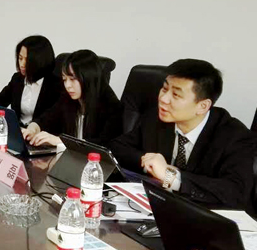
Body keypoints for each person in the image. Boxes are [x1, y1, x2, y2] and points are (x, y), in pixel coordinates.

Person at [110, 58, 255, 209]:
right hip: (158, 207)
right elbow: (117, 147)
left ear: (203, 106)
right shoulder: (157, 117)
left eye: (176, 95)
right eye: (164, 89)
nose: (163, 99)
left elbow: (236, 192)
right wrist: (150, 164)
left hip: (204, 214)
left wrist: (171, 176)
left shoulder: (235, 137)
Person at [22, 49, 122, 146]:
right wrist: (33, 128)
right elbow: (47, 119)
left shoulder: (112, 106)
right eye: (64, 79)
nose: (68, 85)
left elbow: (104, 144)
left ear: (88, 77)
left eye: (73, 79)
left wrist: (61, 141)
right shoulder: (67, 98)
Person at [0, 35, 62, 126]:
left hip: (41, 136)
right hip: (18, 132)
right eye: (20, 58)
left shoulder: (56, 85)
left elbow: (51, 118)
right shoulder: (17, 79)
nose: (22, 64)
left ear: (40, 61)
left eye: (27, 60)